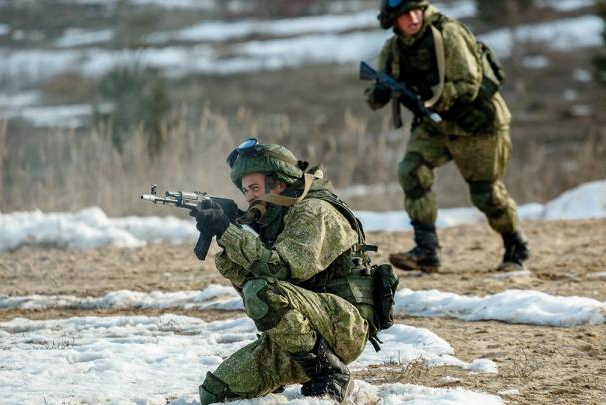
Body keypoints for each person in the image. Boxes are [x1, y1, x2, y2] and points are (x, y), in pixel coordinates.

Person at [191, 138, 389, 404]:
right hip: (299, 336)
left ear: (280, 183)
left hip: (343, 327)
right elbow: (248, 279)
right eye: (245, 190)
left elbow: (279, 271)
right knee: (214, 393)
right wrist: (226, 234)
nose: (249, 197)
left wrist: (228, 232)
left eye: (254, 188)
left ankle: (329, 372)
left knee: (263, 290)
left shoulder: (314, 212)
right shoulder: (279, 220)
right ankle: (308, 368)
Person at [364, 0, 530, 273]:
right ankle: (427, 251)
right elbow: (372, 99)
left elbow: (469, 82)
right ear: (393, 20)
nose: (413, 17)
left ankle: (516, 245)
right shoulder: (393, 50)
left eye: (416, 10)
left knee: (485, 194)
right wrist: (383, 91)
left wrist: (428, 98)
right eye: (405, 14)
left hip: (476, 124)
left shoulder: (448, 33)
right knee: (411, 171)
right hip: (435, 126)